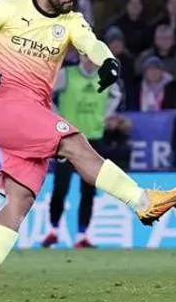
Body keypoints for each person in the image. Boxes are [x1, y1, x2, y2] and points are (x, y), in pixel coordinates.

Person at [0, 0, 176, 292]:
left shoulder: (71, 21)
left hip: (34, 112)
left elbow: (92, 43)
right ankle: (143, 202)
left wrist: (108, 62)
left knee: (20, 199)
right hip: (7, 107)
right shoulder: (9, 8)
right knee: (74, 143)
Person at [42, 55, 124, 249]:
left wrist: (104, 115)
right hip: (68, 139)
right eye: (86, 56)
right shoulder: (67, 75)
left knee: (88, 190)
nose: (90, 60)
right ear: (80, 55)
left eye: (92, 57)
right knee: (60, 186)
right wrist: (56, 116)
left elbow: (116, 95)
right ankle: (53, 230)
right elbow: (45, 94)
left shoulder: (104, 76)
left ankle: (82, 235)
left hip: (93, 139)